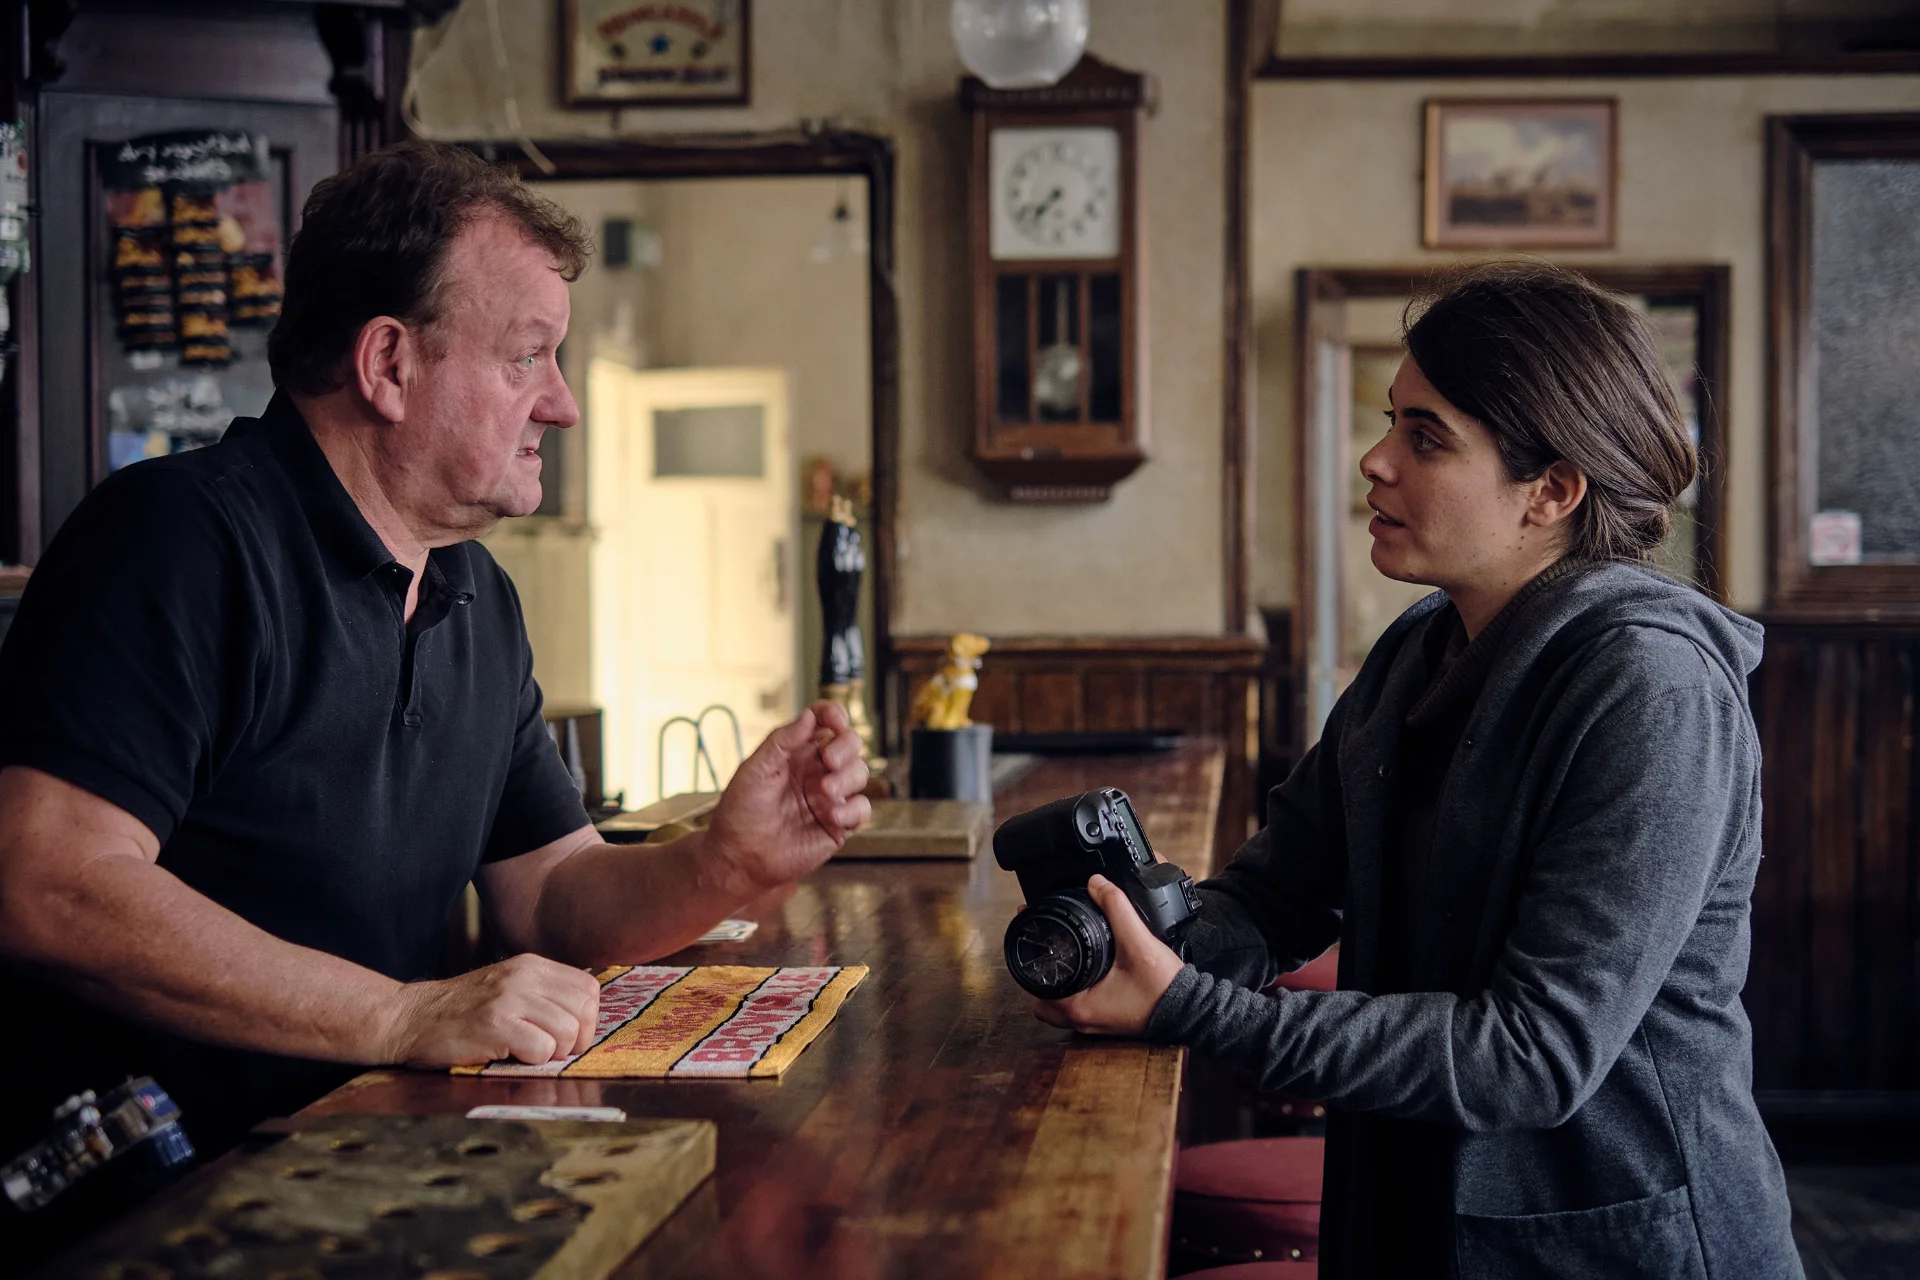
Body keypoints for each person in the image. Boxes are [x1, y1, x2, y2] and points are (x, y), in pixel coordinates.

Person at [0, 141, 870, 1162]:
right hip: (159, 1199)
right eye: (526, 357)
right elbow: (46, 883)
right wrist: (400, 1014)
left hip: (368, 1167)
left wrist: (723, 861)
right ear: (389, 366)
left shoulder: (474, 593)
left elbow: (551, 897)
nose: (564, 403)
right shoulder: (181, 537)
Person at [1037, 263, 1801, 1278]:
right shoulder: (1418, 649)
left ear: (1552, 490)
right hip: (1410, 1215)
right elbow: (1275, 895)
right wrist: (1124, 933)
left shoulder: (1652, 689)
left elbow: (1533, 1055)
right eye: (1391, 422)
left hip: (1611, 1245)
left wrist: (1183, 1004)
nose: (1376, 459)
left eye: (1426, 438)